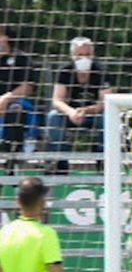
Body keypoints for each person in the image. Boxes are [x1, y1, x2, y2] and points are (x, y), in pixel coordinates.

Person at [46, 37, 110, 174]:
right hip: (70, 115)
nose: (84, 59)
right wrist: (71, 112)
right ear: (73, 56)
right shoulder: (65, 70)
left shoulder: (101, 70)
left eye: (87, 55)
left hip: (94, 115)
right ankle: (61, 162)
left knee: (108, 119)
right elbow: (57, 100)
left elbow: (105, 102)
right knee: (53, 117)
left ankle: (103, 160)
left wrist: (85, 111)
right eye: (80, 55)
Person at [0, 27, 36, 155]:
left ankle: (10, 155)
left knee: (15, 110)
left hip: (17, 102)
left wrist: (7, 98)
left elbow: (29, 86)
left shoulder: (22, 59)